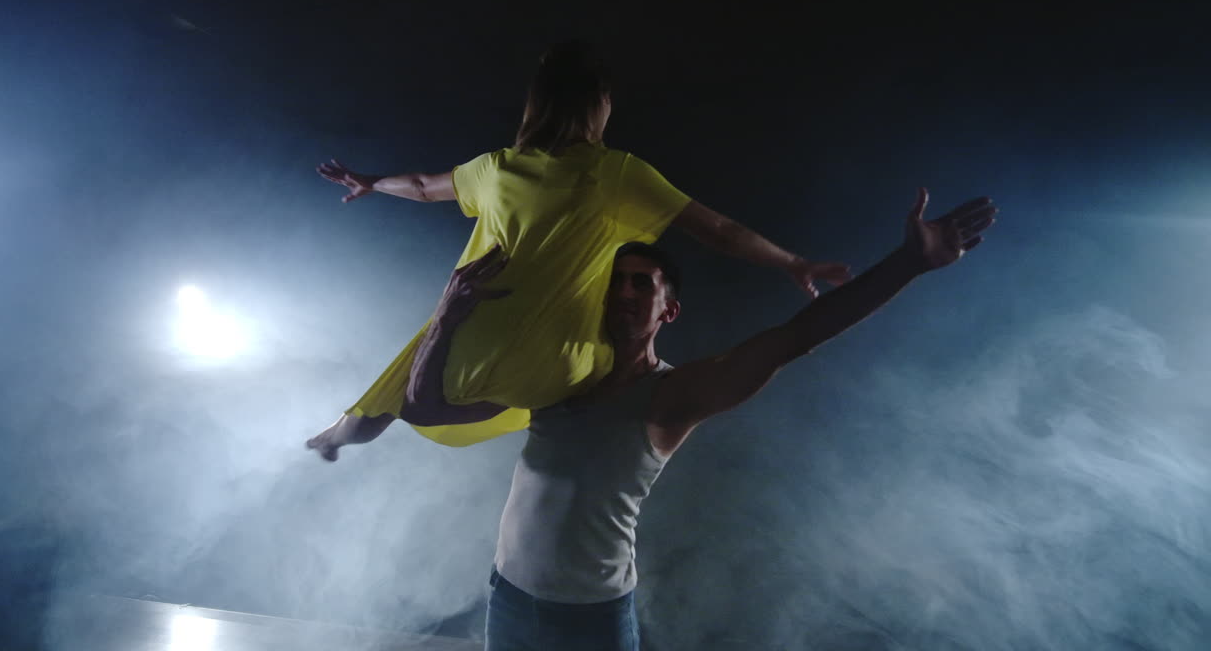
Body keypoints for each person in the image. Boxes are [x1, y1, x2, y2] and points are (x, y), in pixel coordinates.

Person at [395, 188, 996, 650]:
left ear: (669, 309)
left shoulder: (673, 394)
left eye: (641, 283)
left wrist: (908, 263)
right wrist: (448, 315)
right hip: (508, 599)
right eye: (614, 282)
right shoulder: (557, 378)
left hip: (589, 622)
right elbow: (422, 408)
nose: (624, 291)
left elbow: (796, 336)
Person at [307, 41, 850, 454]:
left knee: (421, 355)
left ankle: (343, 433)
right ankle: (352, 428)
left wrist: (373, 182)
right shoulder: (614, 173)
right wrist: (792, 262)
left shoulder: (495, 169)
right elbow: (719, 230)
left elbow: (425, 186)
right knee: (581, 382)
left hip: (466, 357)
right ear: (598, 106)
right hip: (562, 367)